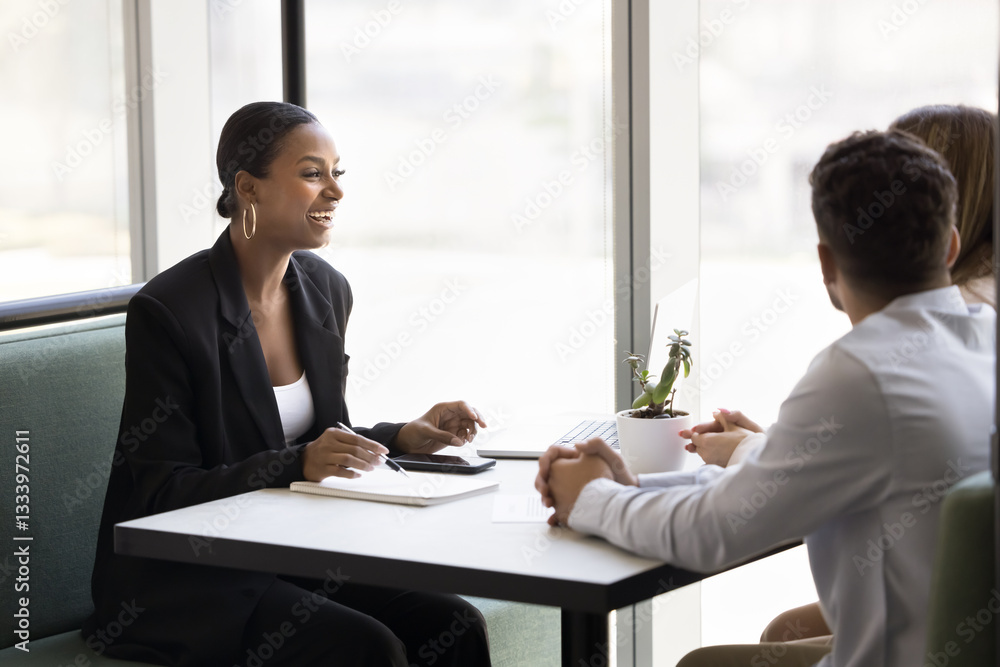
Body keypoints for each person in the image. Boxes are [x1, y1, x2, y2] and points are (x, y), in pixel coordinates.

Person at [535, 129, 995, 667]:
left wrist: (590, 497)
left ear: (826, 264)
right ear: (952, 246)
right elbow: (846, 467)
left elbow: (711, 532)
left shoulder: (859, 374)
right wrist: (633, 486)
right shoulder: (983, 334)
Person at [84, 101, 492, 667]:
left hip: (288, 550)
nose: (335, 192)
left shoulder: (327, 289)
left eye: (336, 173)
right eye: (311, 173)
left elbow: (316, 438)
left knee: (454, 623)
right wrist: (296, 464)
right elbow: (160, 491)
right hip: (187, 578)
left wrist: (402, 436)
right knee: (366, 648)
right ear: (247, 188)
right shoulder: (170, 310)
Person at [703, 104, 999, 647]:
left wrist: (597, 497)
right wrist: (770, 448)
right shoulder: (971, 314)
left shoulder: (947, 325)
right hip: (968, 607)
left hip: (945, 622)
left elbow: (717, 527)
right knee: (780, 632)